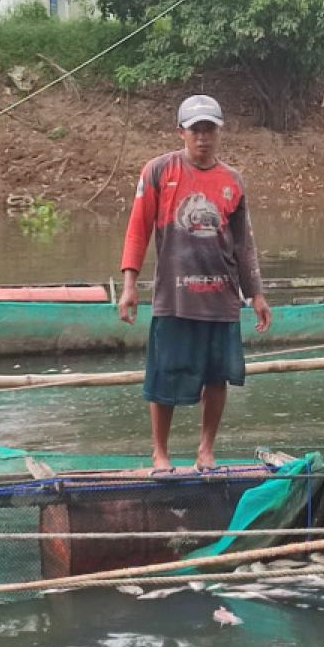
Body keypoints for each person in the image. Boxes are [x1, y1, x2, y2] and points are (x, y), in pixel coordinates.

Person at [117, 94, 271, 474]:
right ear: (181, 132)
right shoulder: (158, 171)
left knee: (216, 376)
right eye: (195, 130)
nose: (203, 138)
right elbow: (138, 228)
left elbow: (243, 243)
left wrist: (256, 294)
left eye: (209, 130)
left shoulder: (233, 181)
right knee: (164, 374)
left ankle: (206, 451)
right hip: (174, 295)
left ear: (220, 132)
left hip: (221, 297)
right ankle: (160, 454)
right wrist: (129, 284)